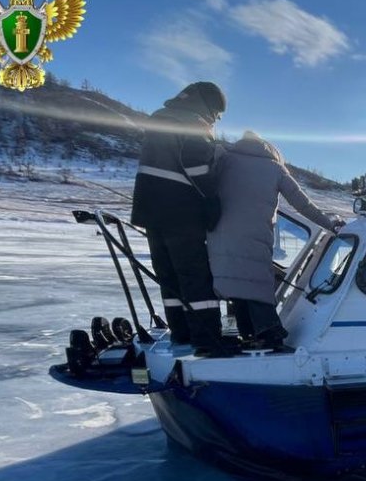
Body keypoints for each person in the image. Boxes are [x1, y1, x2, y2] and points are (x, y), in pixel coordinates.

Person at [208, 131, 341, 351]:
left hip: (220, 235)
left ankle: (248, 333)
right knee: (255, 282)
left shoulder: (224, 159)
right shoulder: (274, 167)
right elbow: (302, 204)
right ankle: (270, 334)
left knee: (234, 282)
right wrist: (329, 224)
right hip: (256, 236)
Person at [130, 81, 227, 356]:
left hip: (151, 212)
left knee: (169, 276)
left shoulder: (161, 119)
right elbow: (196, 164)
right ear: (207, 106)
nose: (215, 120)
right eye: (216, 115)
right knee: (194, 275)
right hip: (181, 211)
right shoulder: (193, 123)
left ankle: (182, 333)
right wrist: (211, 197)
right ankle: (208, 339)